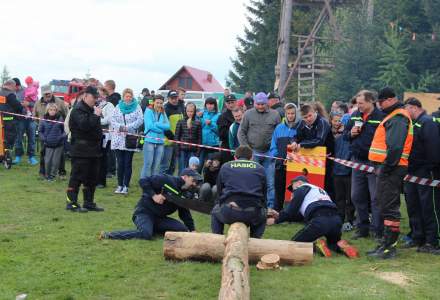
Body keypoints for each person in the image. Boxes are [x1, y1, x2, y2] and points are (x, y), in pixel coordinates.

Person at [367, 87, 413, 259]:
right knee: (385, 206)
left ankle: (389, 248)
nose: (379, 105)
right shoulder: (394, 116)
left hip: (391, 168)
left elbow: (395, 147)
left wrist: (385, 168)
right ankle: (385, 244)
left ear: (391, 100)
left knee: (390, 208)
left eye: (381, 101)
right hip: (390, 167)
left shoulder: (398, 117)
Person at [267, 176, 358, 258]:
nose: (292, 192)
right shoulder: (318, 190)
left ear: (299, 183)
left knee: (295, 243)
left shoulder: (301, 188)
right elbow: (300, 216)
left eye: (293, 187)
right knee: (333, 244)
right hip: (336, 221)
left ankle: (315, 245)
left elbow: (291, 211)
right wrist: (280, 215)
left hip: (320, 220)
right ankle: (339, 245)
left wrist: (275, 220)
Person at [99, 168, 202, 240]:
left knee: (183, 230)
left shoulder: (184, 193)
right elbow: (143, 181)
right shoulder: (166, 179)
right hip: (144, 212)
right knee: (146, 234)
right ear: (184, 177)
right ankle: (109, 235)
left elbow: (184, 213)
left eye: (196, 183)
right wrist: (154, 196)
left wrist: (192, 230)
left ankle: (152, 228)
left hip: (160, 218)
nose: (194, 184)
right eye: (193, 181)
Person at [343, 90, 385, 239]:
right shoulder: (354, 115)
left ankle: (378, 230)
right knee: (356, 196)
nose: (358, 106)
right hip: (358, 162)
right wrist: (351, 134)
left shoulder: (381, 117)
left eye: (361, 103)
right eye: (357, 103)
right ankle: (362, 228)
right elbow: (344, 135)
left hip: (375, 163)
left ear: (370, 101)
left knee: (375, 198)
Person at [403, 98, 440, 254]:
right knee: (413, 205)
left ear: (414, 108)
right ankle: (418, 236)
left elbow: (433, 149)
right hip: (411, 172)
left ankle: (433, 241)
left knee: (429, 207)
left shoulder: (427, 122)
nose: (405, 113)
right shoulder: (413, 124)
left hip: (426, 172)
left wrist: (430, 169)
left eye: (407, 109)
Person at [211, 145, 267, 238]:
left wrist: (222, 204)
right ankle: (256, 240)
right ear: (252, 157)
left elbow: (219, 191)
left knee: (215, 212)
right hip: (252, 213)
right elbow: (264, 194)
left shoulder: (226, 166)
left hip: (230, 210)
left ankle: (217, 240)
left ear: (235, 157)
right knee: (263, 213)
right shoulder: (260, 168)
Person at [238, 92, 281, 209]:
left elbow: (279, 133)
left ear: (267, 103)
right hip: (254, 152)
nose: (261, 106)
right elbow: (241, 132)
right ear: (255, 103)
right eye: (258, 104)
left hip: (270, 153)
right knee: (253, 181)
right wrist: (247, 150)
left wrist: (275, 151)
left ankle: (270, 208)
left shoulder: (275, 114)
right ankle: (253, 206)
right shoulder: (248, 114)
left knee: (270, 183)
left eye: (263, 104)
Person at [66, 86, 104, 212]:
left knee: (92, 178)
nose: (95, 100)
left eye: (96, 97)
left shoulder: (92, 108)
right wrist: (95, 115)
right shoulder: (78, 109)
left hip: (94, 149)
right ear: (86, 96)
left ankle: (88, 202)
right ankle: (71, 203)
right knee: (77, 177)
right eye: (94, 97)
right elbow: (84, 126)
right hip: (81, 149)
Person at [290, 103, 334, 200]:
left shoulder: (323, 123)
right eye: (305, 117)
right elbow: (296, 137)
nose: (308, 119)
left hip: (326, 159)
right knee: (310, 182)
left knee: (325, 185)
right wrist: (294, 142)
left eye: (310, 116)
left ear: (315, 113)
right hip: (310, 159)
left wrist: (301, 145)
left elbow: (319, 140)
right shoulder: (302, 123)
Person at [110, 88, 143, 195]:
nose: (128, 98)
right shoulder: (118, 106)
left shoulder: (137, 107)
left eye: (130, 96)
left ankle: (126, 185)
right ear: (123, 97)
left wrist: (128, 127)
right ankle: (119, 185)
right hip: (118, 138)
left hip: (130, 138)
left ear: (132, 97)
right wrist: (120, 127)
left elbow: (140, 120)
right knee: (120, 163)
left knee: (127, 163)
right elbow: (112, 119)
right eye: (126, 96)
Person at [270, 103, 300, 211]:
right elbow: (273, 144)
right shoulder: (279, 128)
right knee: (279, 187)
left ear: (296, 114)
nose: (291, 116)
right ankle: (277, 209)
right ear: (285, 114)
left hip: (295, 164)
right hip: (280, 163)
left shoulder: (300, 127)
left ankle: (291, 210)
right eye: (288, 113)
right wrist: (276, 155)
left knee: (293, 188)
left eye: (293, 113)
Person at [34, 85, 68, 177]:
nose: (48, 95)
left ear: (51, 92)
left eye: (49, 93)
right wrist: (42, 126)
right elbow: (35, 116)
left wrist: (62, 131)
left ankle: (61, 172)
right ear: (42, 94)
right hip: (45, 133)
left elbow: (66, 116)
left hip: (58, 132)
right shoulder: (38, 103)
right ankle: (43, 172)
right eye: (46, 94)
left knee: (60, 155)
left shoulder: (60, 102)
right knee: (43, 154)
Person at [330, 111, 355, 231]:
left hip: (348, 173)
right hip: (337, 172)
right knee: (339, 198)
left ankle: (350, 220)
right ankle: (340, 219)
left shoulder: (352, 139)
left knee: (349, 199)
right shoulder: (336, 138)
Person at [140, 94, 170, 179]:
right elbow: (149, 126)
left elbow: (168, 126)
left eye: (161, 103)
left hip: (160, 141)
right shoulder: (148, 111)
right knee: (148, 164)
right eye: (157, 103)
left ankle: (153, 182)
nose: (159, 105)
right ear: (153, 102)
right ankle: (144, 182)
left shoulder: (163, 112)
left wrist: (157, 124)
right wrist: (161, 128)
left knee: (156, 165)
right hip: (149, 140)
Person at [12, 77, 38, 165]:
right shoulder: (12, 93)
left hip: (31, 119)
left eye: (13, 86)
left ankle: (31, 157)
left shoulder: (29, 89)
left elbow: (36, 103)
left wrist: (28, 104)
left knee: (32, 138)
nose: (12, 88)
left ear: (17, 85)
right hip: (19, 119)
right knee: (18, 138)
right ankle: (18, 156)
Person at [38, 103, 66, 181]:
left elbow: (65, 131)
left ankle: (52, 176)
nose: (52, 111)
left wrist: (60, 137)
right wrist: (44, 139)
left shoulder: (60, 119)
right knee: (47, 161)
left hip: (58, 144)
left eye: (54, 110)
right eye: (51, 109)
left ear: (56, 111)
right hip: (48, 144)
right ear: (47, 110)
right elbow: (40, 131)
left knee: (55, 161)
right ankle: (47, 175)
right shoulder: (43, 120)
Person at [160, 90, 183, 175]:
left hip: (177, 142)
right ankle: (160, 185)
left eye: (175, 98)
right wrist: (173, 138)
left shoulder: (180, 108)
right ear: (168, 98)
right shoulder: (165, 109)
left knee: (173, 166)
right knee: (164, 166)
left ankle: (169, 185)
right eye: (172, 98)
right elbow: (163, 126)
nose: (174, 100)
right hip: (167, 142)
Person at [175, 102, 201, 174]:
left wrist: (198, 152)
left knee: (192, 170)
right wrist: (177, 151)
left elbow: (199, 138)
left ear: (194, 111)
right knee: (182, 169)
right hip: (182, 150)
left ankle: (190, 184)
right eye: (188, 111)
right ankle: (180, 184)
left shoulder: (198, 123)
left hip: (193, 150)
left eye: (191, 111)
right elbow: (177, 137)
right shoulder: (180, 122)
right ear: (185, 111)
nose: (190, 113)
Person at [96, 87, 115, 188]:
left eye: (100, 94)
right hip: (96, 133)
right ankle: (95, 179)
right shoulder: (97, 105)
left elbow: (109, 119)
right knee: (96, 157)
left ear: (105, 95)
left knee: (103, 157)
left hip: (106, 135)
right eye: (98, 94)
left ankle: (101, 182)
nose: (99, 96)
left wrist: (97, 120)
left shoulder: (109, 105)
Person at [0, 80, 23, 161]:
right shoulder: (10, 94)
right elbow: (18, 106)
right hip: (8, 121)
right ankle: (6, 157)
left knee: (1, 139)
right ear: (11, 86)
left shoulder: (1, 92)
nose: (14, 88)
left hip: (1, 120)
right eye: (14, 86)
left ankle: (1, 156)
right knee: (9, 139)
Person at [104, 80, 121, 178]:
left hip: (112, 127)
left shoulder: (113, 99)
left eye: (105, 85)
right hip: (108, 127)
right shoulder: (111, 98)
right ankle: (110, 169)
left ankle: (111, 170)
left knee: (111, 149)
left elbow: (112, 114)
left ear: (109, 87)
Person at [198, 97, 221, 170]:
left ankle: (209, 181)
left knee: (211, 166)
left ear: (215, 105)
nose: (209, 106)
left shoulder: (219, 115)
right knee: (199, 164)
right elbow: (198, 126)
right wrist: (199, 117)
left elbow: (219, 130)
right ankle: (198, 181)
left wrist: (211, 124)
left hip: (213, 144)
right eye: (207, 104)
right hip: (202, 143)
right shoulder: (202, 113)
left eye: (211, 104)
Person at [217, 94, 237, 163]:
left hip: (239, 145)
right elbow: (221, 134)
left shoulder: (241, 114)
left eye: (232, 102)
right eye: (228, 103)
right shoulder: (222, 117)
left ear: (236, 102)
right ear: (225, 104)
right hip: (227, 146)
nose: (231, 105)